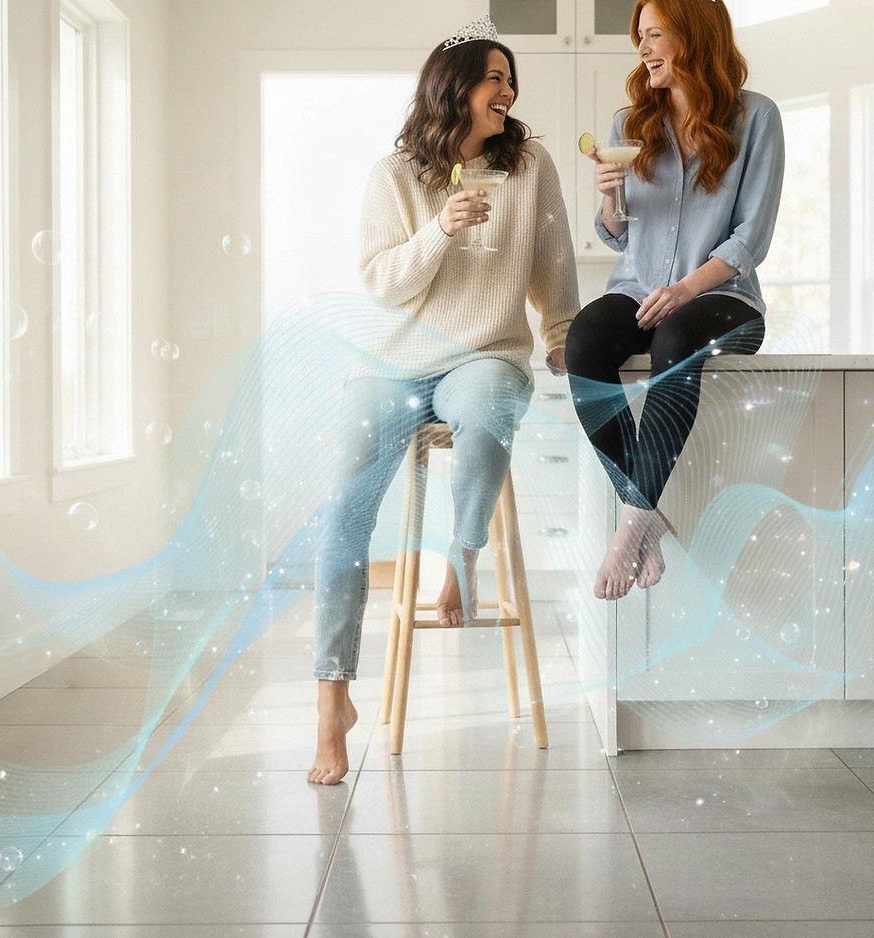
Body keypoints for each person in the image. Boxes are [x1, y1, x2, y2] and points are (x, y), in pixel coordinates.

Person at [309, 16, 579, 784]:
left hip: (485, 353)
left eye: (510, 77)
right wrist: (439, 230)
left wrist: (561, 335)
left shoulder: (531, 167)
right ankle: (332, 702)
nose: (509, 90)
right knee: (343, 513)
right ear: (453, 87)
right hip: (392, 363)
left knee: (491, 407)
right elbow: (383, 288)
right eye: (494, 76)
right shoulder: (393, 176)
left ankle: (460, 561)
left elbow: (553, 269)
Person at [560, 0, 785, 602]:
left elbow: (751, 238)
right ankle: (646, 517)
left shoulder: (757, 118)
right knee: (583, 341)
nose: (642, 49)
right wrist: (609, 199)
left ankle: (628, 527)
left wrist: (685, 289)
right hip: (637, 285)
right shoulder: (629, 124)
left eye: (654, 35)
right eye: (640, 38)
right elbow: (618, 233)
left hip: (723, 297)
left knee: (676, 338)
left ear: (693, 35)